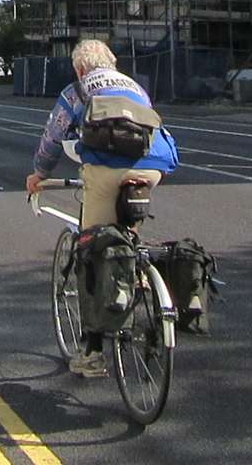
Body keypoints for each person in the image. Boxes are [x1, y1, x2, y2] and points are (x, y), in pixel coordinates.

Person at [25, 38, 179, 378]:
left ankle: (92, 353)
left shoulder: (77, 90)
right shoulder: (135, 87)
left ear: (80, 68)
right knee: (126, 228)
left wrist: (39, 175)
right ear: (112, 63)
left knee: (92, 251)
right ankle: (136, 274)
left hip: (107, 167)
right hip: (155, 166)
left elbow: (53, 137)